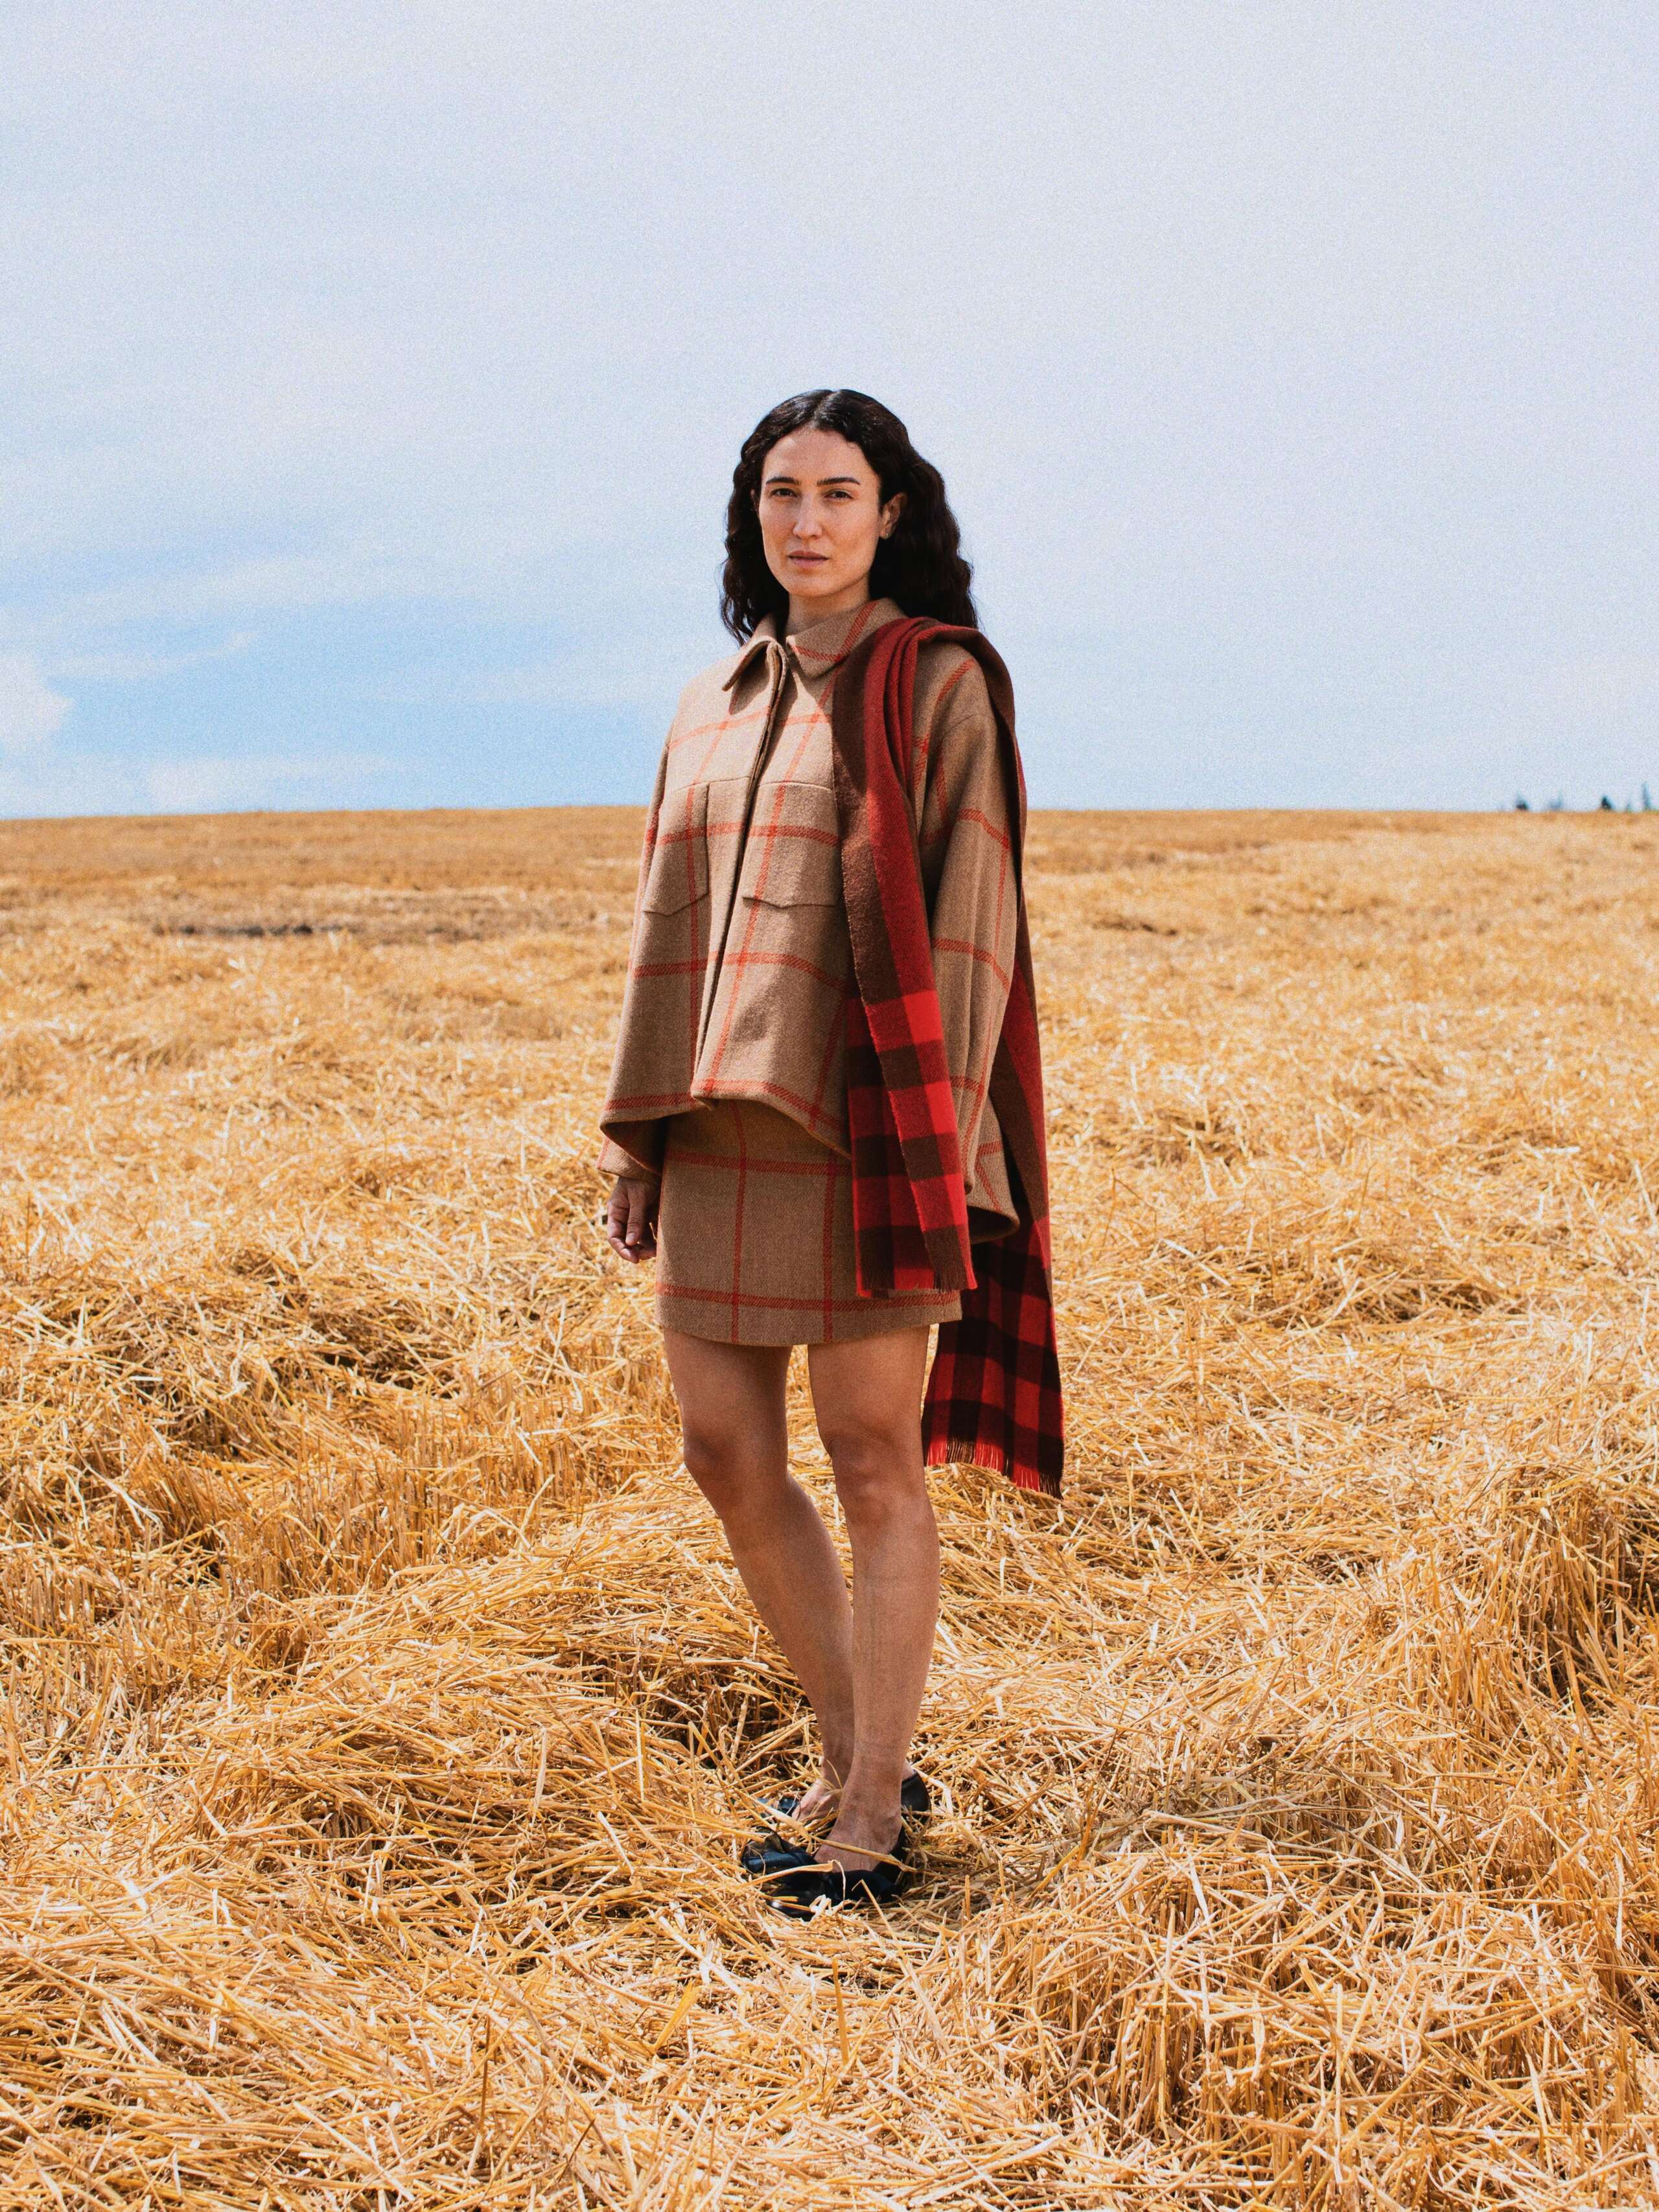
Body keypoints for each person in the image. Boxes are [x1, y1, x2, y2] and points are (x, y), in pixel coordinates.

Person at [598, 389, 1062, 1914]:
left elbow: (970, 915)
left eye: (836, 493)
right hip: (720, 1126)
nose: (805, 519)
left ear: (890, 516)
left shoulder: (935, 686)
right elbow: (664, 928)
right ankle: (865, 1745)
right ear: (754, 517)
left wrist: (928, 1124)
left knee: (870, 1459)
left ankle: (867, 1810)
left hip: (871, 1123)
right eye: (780, 493)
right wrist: (646, 1131)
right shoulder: (708, 702)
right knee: (722, 1453)